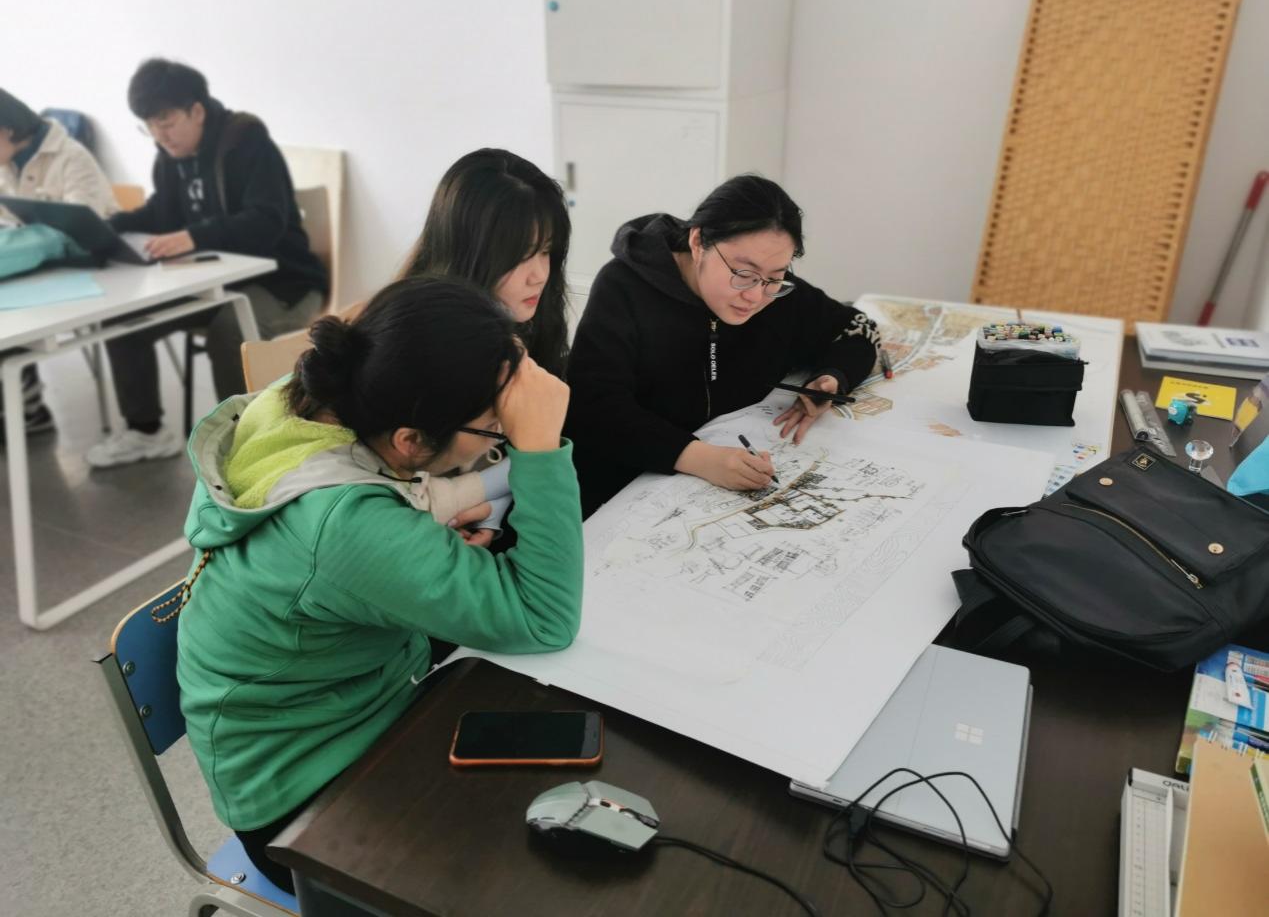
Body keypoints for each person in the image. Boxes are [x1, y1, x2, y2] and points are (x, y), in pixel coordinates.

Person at [176, 276, 581, 893]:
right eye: (494, 429)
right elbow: (545, 618)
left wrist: (419, 535)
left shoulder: (302, 400)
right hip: (303, 796)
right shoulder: (347, 526)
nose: (500, 437)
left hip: (355, 697)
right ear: (410, 441)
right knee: (535, 871)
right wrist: (541, 448)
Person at [564, 174, 880, 516]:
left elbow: (857, 328)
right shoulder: (623, 287)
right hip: (621, 490)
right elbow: (593, 407)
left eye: (775, 277)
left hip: (718, 485)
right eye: (743, 273)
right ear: (698, 241)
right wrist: (698, 457)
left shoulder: (775, 293)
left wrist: (832, 378)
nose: (755, 295)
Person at [86, 58, 327, 468]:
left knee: (229, 329)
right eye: (150, 125)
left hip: (285, 283)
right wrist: (108, 226)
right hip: (214, 281)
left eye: (166, 121)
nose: (159, 135)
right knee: (124, 319)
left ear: (196, 110)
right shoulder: (170, 154)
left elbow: (266, 220)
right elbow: (162, 212)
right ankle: (146, 432)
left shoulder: (246, 141)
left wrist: (194, 236)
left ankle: (241, 446)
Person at [0, 88, 117, 436]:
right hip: (42, 270)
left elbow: (78, 229)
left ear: (6, 130)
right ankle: (26, 407)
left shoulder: (71, 157)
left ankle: (28, 410)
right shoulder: (7, 161)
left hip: (95, 269)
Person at [400, 148, 571, 376]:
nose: (539, 276)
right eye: (521, 256)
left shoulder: (530, 323)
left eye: (546, 250)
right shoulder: (421, 350)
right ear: (465, 252)